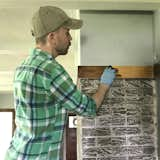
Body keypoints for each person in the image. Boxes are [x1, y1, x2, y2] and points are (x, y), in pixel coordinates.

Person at [5, 6, 116, 160]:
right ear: (52, 37)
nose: (70, 38)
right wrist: (104, 85)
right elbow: (88, 108)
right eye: (67, 32)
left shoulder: (23, 66)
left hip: (17, 154)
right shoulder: (51, 71)